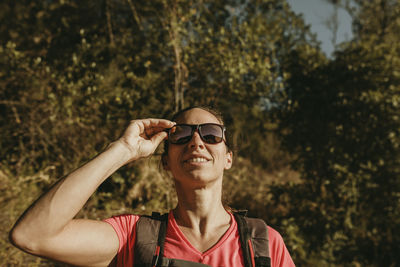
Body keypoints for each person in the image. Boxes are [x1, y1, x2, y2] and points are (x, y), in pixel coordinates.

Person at [10, 106, 295, 266]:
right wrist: (121, 150)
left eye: (211, 134)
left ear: (228, 158)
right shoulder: (133, 237)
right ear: (166, 161)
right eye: (181, 135)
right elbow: (32, 236)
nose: (197, 142)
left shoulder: (264, 244)